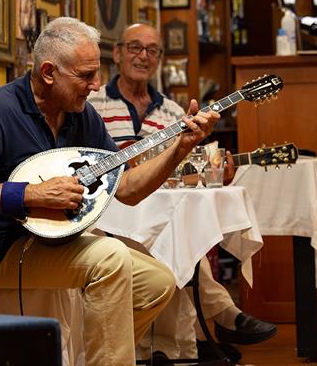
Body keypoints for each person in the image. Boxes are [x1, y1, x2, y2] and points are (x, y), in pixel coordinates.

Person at [0, 17, 221, 366]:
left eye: (96, 74)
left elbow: (126, 188)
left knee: (158, 282)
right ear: (48, 72)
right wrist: (28, 195)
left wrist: (180, 148)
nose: (96, 85)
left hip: (54, 241)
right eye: (85, 76)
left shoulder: (81, 115)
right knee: (110, 256)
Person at [88, 22, 277, 362]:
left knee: (175, 233)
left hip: (154, 208)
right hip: (108, 212)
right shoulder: (93, 105)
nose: (143, 56)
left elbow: (187, 174)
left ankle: (167, 348)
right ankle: (220, 314)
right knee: (169, 240)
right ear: (116, 54)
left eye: (152, 50)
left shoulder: (174, 113)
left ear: (160, 59)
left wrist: (218, 170)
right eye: (134, 47)